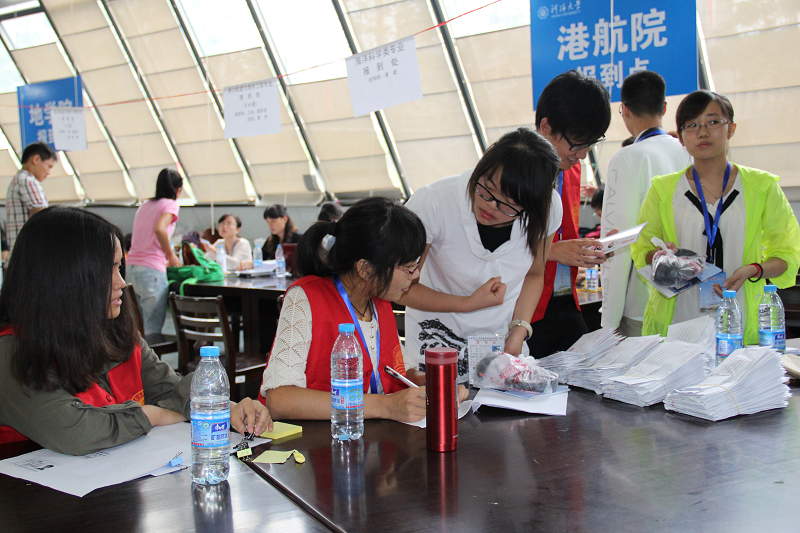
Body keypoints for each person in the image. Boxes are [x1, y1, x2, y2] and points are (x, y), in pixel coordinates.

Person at [0, 207, 271, 455]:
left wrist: (225, 408)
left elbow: (170, 390)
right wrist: (151, 415)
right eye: (107, 271)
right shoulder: (11, 352)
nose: (121, 282)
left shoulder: (116, 333)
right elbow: (75, 430)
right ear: (63, 280)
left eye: (119, 267)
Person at [260, 197, 466, 423]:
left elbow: (397, 370)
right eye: (408, 267)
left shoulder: (379, 300)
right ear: (365, 269)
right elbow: (279, 400)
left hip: (370, 435)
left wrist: (430, 383)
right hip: (318, 438)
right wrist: (385, 406)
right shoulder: (305, 298)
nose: (416, 275)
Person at [631, 90, 800, 344]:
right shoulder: (663, 190)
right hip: (678, 322)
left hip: (741, 318)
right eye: (692, 125)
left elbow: (787, 254)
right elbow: (642, 249)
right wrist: (660, 256)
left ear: (731, 129)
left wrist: (754, 270)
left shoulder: (762, 186)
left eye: (713, 122)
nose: (702, 132)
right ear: (681, 137)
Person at [400, 127, 563, 380]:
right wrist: (468, 303)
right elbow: (401, 287)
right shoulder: (433, 202)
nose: (490, 205)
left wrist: (518, 331)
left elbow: (534, 274)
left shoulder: (547, 210)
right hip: (436, 350)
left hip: (504, 349)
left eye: (509, 204)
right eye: (486, 188)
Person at [527, 70, 612, 357]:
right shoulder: (513, 172)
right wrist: (554, 251)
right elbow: (492, 248)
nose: (583, 154)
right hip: (525, 306)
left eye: (590, 144)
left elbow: (566, 232)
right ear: (546, 126)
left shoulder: (570, 168)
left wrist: (590, 249)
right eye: (576, 143)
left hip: (564, 298)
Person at [601, 71, 691, 337]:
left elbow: (617, 242)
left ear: (625, 110)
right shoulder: (690, 152)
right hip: (690, 295)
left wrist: (609, 317)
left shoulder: (627, 158)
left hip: (642, 302)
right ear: (664, 107)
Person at [126, 169, 184, 336]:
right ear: (178, 190)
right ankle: (151, 355)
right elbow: (159, 229)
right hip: (151, 271)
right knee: (152, 328)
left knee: (136, 327)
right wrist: (170, 255)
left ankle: (137, 355)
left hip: (131, 269)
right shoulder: (170, 204)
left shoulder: (144, 205)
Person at [5, 141, 56, 253]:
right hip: (29, 252)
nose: (49, 172)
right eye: (49, 166)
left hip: (21, 251)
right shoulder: (27, 181)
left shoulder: (18, 180)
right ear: (36, 159)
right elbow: (44, 215)